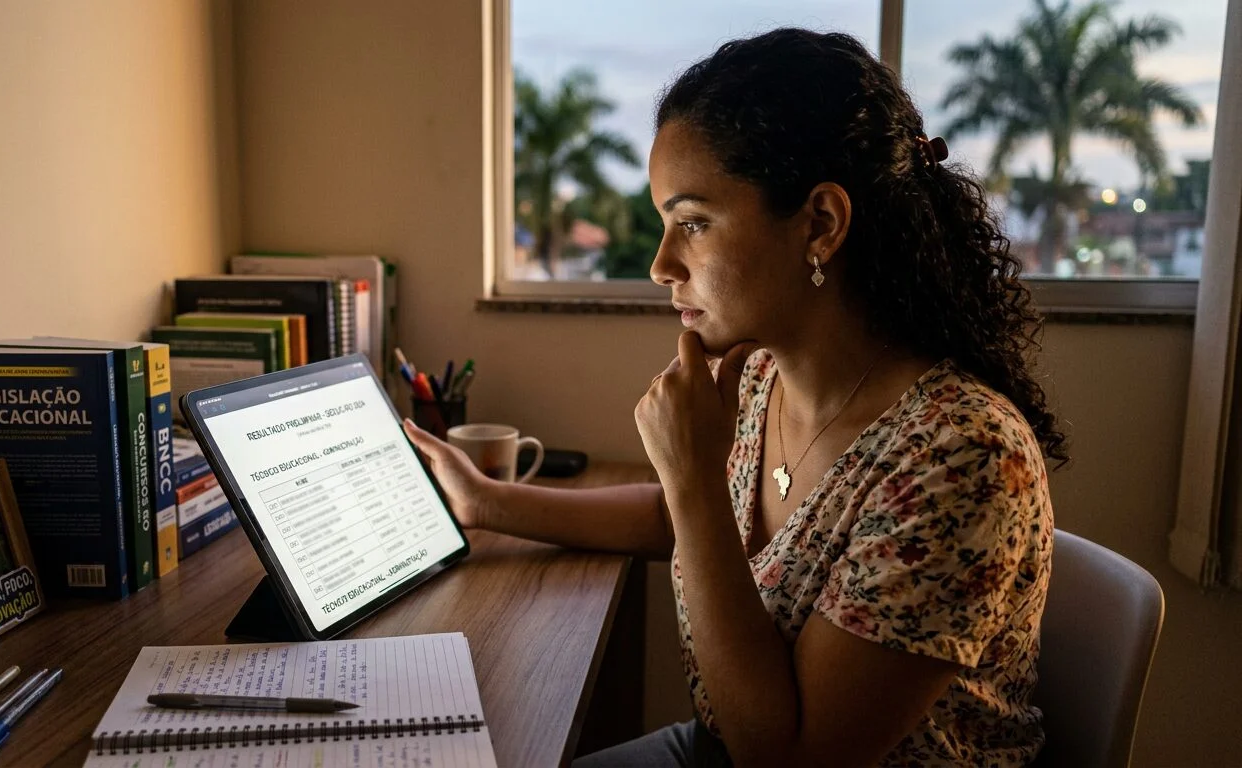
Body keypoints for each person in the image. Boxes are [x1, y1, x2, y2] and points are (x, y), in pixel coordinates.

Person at [403, 27, 1064, 768]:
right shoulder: (759, 376)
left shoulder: (961, 455)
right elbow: (692, 521)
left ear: (820, 223)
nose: (660, 265)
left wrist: (689, 481)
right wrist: (488, 502)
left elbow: (789, 757)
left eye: (693, 223)